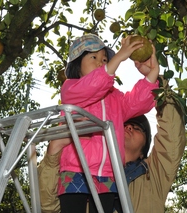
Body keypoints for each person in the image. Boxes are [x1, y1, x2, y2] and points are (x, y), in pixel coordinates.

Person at [38, 87, 187, 213]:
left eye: (137, 128)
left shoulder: (153, 176)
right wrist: (53, 152)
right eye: (124, 124)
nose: (129, 127)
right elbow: (47, 206)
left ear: (143, 151)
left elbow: (172, 138)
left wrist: (160, 88)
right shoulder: (82, 172)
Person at [58, 34, 159, 213]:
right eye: (93, 57)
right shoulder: (71, 88)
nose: (100, 62)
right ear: (77, 64)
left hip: (108, 172)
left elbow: (137, 102)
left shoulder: (114, 97)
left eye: (104, 59)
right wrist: (119, 57)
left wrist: (152, 73)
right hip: (76, 168)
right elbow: (93, 85)